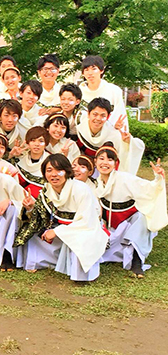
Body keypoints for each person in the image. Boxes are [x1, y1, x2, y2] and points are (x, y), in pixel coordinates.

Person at [15, 154, 107, 281]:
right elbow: (40, 218)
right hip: (60, 227)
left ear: (67, 172)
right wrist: (30, 208)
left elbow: (87, 222)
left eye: (59, 170)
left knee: (82, 240)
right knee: (33, 235)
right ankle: (40, 262)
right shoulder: (46, 191)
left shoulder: (81, 189)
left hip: (85, 228)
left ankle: (78, 273)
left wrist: (57, 232)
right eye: (49, 170)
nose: (54, 174)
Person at [95, 146, 168, 278]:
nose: (105, 163)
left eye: (110, 159)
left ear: (116, 163)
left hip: (130, 224)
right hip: (111, 227)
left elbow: (149, 188)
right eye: (101, 159)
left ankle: (136, 261)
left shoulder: (125, 179)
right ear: (95, 162)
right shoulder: (97, 183)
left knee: (141, 218)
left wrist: (158, 178)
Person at [76, 98, 144, 174]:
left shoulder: (113, 134)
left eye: (103, 115)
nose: (98, 118)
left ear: (108, 116)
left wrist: (128, 142)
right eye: (95, 114)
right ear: (88, 114)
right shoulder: (79, 127)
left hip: (104, 171)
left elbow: (127, 152)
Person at [79, 55, 128, 130]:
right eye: (86, 70)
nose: (90, 73)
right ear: (82, 73)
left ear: (101, 70)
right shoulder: (78, 92)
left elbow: (120, 116)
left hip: (109, 135)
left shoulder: (114, 91)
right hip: (83, 135)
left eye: (94, 69)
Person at [10, 126, 50, 199]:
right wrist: (11, 155)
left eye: (41, 141)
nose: (37, 144)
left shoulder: (50, 162)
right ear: (28, 143)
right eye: (33, 140)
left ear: (46, 144)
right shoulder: (20, 159)